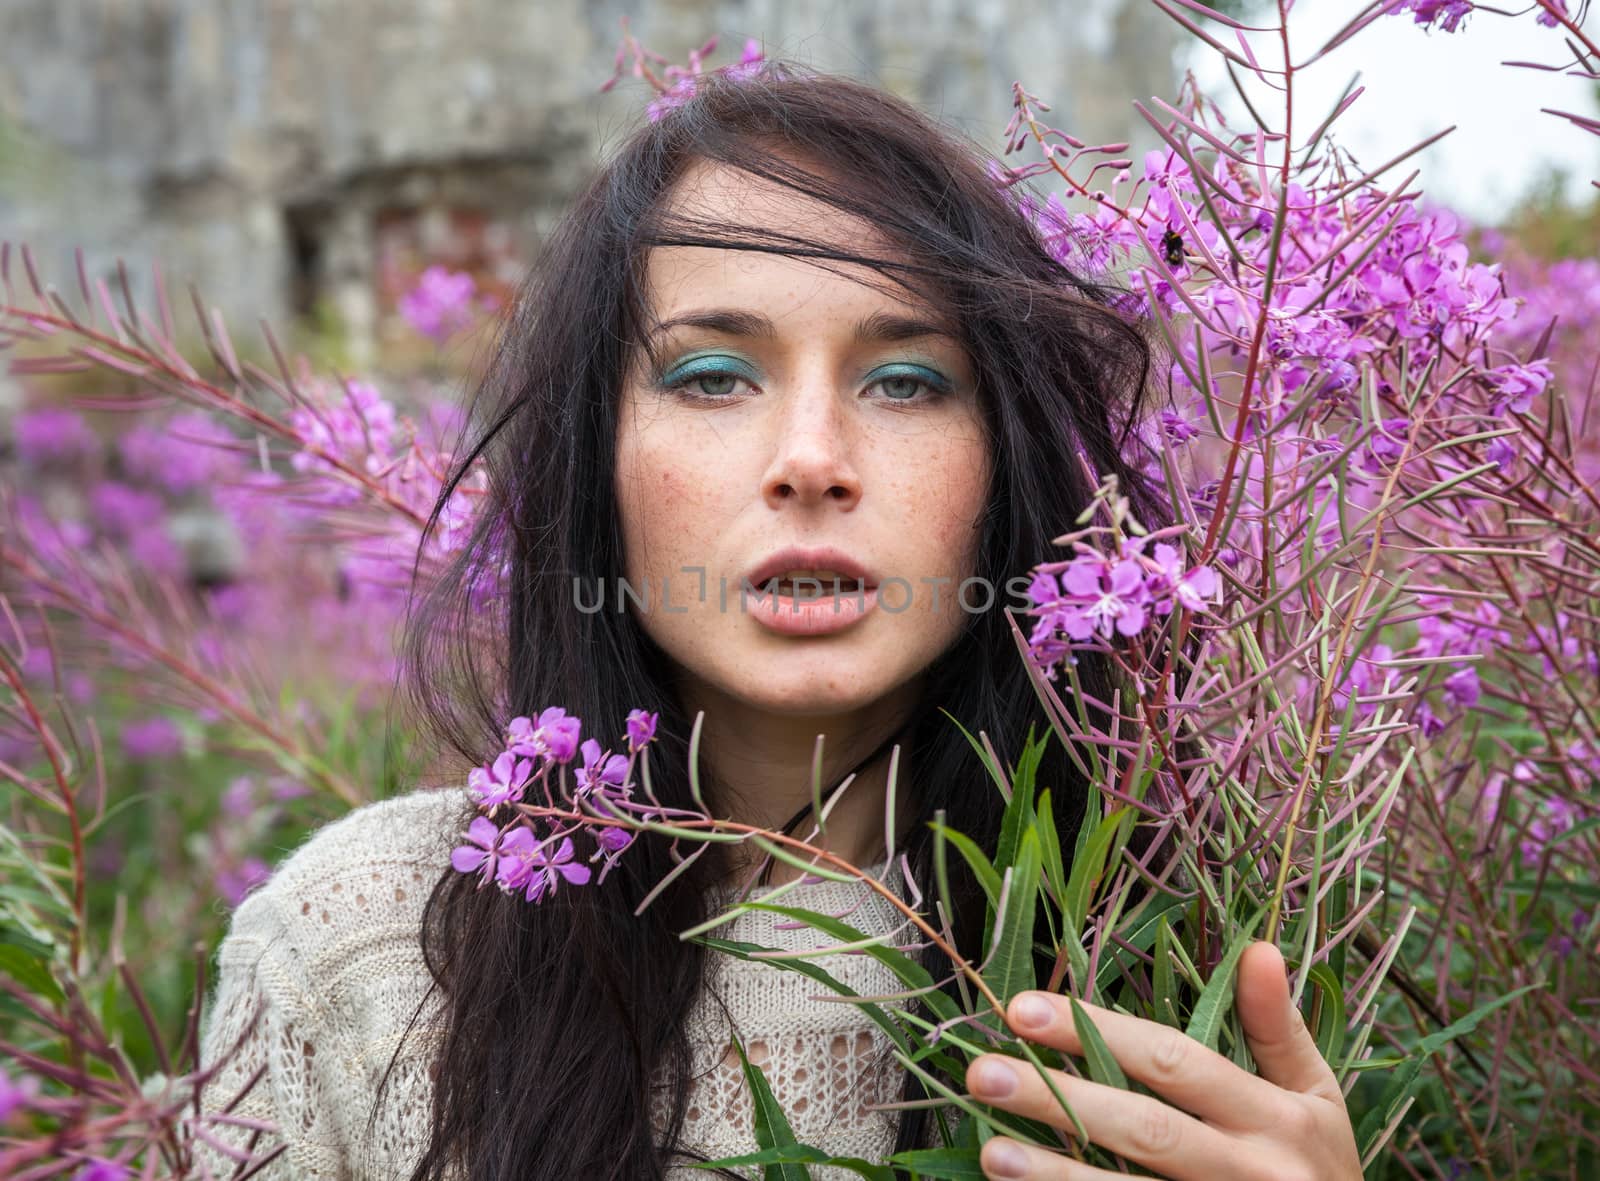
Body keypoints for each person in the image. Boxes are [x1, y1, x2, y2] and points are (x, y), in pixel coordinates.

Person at [189, 60, 1363, 1181]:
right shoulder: (354, 950)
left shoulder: (1205, 928)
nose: (812, 460)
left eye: (905, 381)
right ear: (595, 457)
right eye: (710, 375)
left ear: (1006, 466)